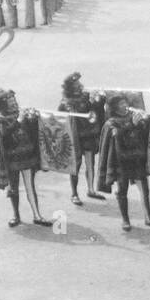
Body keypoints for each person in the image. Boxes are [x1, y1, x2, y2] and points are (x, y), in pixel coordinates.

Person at [0, 89, 53, 228]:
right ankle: (16, 215)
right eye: (10, 103)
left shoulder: (18, 114)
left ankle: (37, 215)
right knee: (13, 188)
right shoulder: (1, 119)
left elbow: (31, 131)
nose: (14, 104)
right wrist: (18, 120)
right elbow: (3, 134)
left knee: (30, 187)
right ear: (4, 105)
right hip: (12, 159)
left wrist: (33, 118)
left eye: (14, 101)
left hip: (27, 157)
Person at [96, 94, 150, 231]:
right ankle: (125, 220)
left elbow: (144, 134)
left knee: (144, 189)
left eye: (125, 102)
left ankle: (149, 218)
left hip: (137, 158)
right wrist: (133, 124)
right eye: (121, 103)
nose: (125, 105)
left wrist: (146, 121)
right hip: (121, 161)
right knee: (122, 190)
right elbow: (116, 136)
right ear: (115, 107)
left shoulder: (133, 116)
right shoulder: (111, 122)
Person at [57, 72, 105, 206]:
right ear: (70, 88)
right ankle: (74, 193)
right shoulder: (65, 102)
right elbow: (61, 119)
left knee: (90, 163)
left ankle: (91, 189)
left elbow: (95, 110)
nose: (79, 86)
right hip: (75, 138)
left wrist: (99, 100)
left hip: (88, 135)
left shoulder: (86, 97)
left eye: (79, 84)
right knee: (75, 166)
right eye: (76, 85)